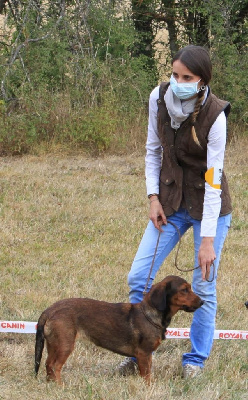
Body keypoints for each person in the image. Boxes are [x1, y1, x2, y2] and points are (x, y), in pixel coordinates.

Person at [118, 45, 232, 379]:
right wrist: (153, 197)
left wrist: (207, 239)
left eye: (187, 77)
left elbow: (214, 180)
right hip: (169, 202)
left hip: (208, 206)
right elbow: (153, 151)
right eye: (175, 74)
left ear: (202, 80)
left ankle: (194, 360)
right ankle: (137, 349)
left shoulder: (216, 115)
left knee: (204, 287)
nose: (178, 82)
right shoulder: (158, 97)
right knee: (139, 276)